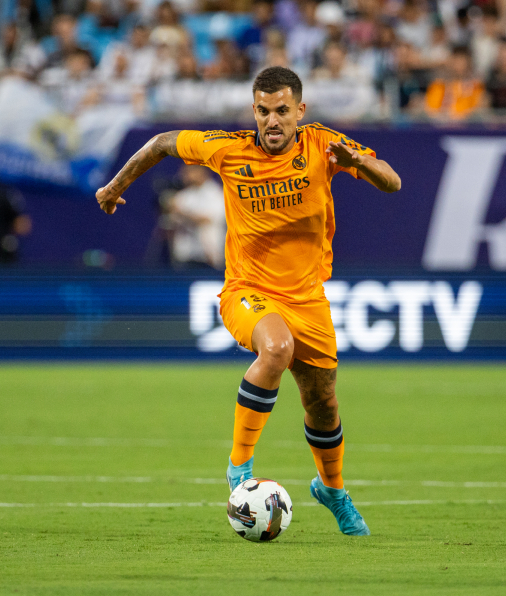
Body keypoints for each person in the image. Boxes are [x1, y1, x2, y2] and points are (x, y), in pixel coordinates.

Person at [96, 66, 401, 536]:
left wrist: (356, 163)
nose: (272, 121)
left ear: (300, 111)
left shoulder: (323, 144)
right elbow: (160, 143)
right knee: (276, 349)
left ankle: (333, 491)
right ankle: (239, 468)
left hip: (309, 298)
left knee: (323, 402)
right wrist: (116, 187)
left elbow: (393, 182)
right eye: (263, 111)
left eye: (282, 111)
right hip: (248, 292)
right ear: (253, 110)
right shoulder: (228, 149)